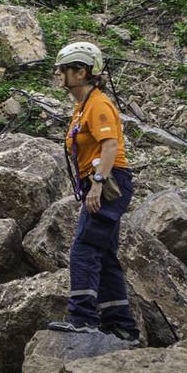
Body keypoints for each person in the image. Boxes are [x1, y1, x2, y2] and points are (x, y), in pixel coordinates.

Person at [47, 41, 141, 345]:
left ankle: (83, 319)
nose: (58, 74)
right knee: (105, 254)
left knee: (84, 248)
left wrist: (98, 182)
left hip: (108, 181)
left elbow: (110, 145)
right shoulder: (83, 105)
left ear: (82, 71)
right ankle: (121, 326)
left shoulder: (98, 104)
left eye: (64, 69)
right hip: (101, 180)